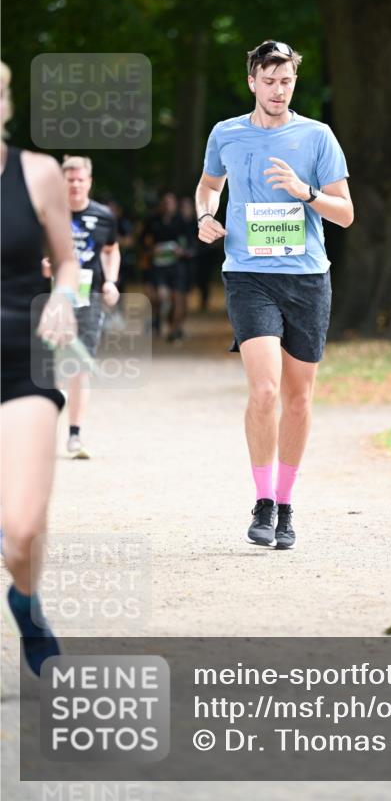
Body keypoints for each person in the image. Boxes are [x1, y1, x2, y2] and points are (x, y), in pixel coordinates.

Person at [195, 39, 353, 549]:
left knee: (298, 398)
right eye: (269, 81)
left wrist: (305, 192)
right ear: (252, 82)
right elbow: (208, 185)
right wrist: (205, 215)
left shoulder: (317, 136)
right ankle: (262, 500)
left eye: (286, 81)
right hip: (248, 274)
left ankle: (286, 505)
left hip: (307, 278)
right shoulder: (227, 133)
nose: (278, 90)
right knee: (264, 392)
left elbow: (346, 213)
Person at [1, 61, 79, 675]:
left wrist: (60, 297)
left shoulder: (38, 173)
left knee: (23, 530)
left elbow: (69, 263)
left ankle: (25, 602)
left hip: (21, 360)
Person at [43, 156, 121, 459]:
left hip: (88, 300)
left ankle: (74, 436)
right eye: (70, 180)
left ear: (89, 181)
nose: (75, 185)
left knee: (80, 366)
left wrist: (111, 281)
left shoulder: (103, 217)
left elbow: (111, 250)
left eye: (80, 180)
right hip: (50, 299)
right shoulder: (46, 214)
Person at [144, 191, 188, 342]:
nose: (167, 206)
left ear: (175, 204)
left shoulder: (182, 221)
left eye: (170, 203)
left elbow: (190, 243)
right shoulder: (153, 221)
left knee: (178, 298)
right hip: (158, 266)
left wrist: (182, 250)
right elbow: (144, 241)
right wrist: (151, 249)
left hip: (177, 266)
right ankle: (157, 319)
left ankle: (175, 329)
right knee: (158, 297)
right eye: (165, 203)